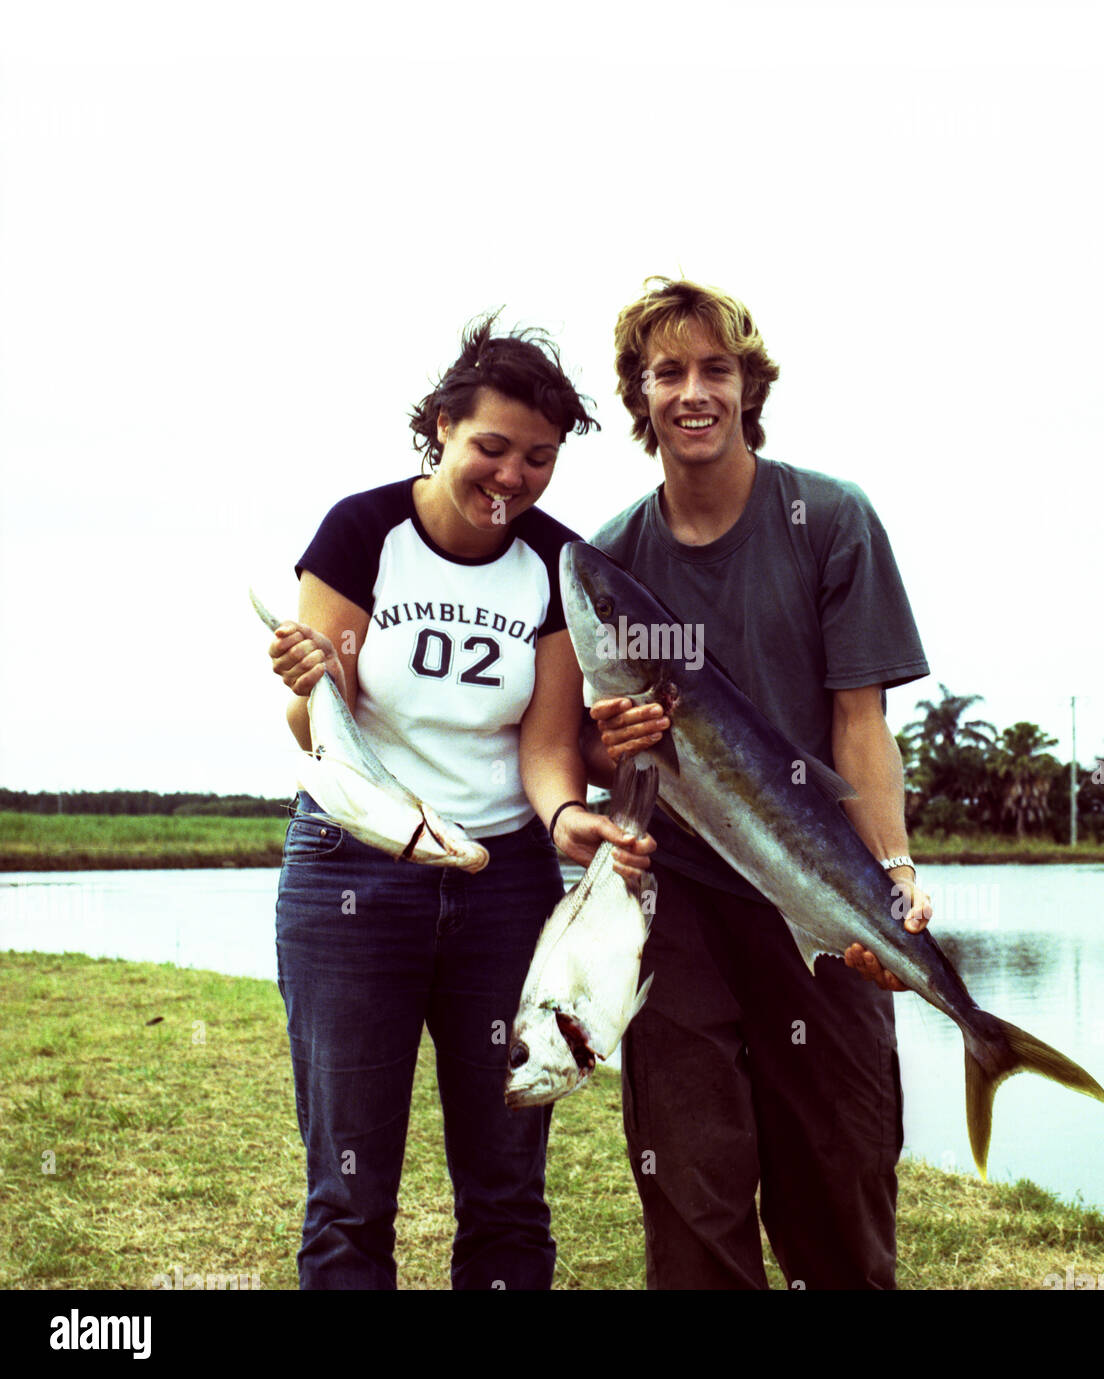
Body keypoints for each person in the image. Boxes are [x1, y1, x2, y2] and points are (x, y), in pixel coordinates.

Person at [266, 313, 651, 1290]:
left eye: (539, 458)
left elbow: (548, 747)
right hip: (354, 877)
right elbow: (317, 737)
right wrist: (306, 681)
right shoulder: (360, 532)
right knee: (349, 1194)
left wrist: (568, 820)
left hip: (504, 889)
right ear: (440, 426)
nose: (510, 477)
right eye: (490, 446)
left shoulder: (558, 567)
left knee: (507, 1192)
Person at [583, 277, 934, 1290]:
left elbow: (859, 722)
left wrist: (893, 867)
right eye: (667, 373)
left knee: (839, 1178)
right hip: (679, 903)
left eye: (715, 369)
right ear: (639, 396)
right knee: (692, 1193)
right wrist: (616, 741)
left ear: (748, 387)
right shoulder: (611, 557)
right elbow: (593, 751)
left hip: (821, 893)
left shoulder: (829, 519)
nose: (693, 392)